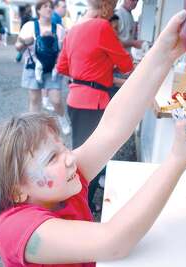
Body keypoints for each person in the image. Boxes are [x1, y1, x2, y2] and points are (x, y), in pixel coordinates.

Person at [0, 10, 186, 266]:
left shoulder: (62, 184)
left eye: (62, 147)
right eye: (52, 157)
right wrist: (178, 158)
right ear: (16, 190)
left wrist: (165, 52)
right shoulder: (14, 229)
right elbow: (113, 242)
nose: (70, 158)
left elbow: (113, 127)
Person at [56, 0, 133, 213]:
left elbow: (62, 66)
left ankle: (76, 204)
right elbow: (126, 64)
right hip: (94, 101)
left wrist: (92, 67)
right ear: (107, 5)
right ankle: (82, 208)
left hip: (75, 99)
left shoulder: (73, 30)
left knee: (79, 156)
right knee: (91, 161)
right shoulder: (101, 27)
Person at [15, 0, 70, 134]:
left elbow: (64, 51)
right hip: (33, 67)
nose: (49, 9)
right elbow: (18, 47)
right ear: (38, 10)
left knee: (56, 100)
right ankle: (34, 127)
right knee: (35, 99)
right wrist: (24, 42)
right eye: (45, 6)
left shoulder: (59, 29)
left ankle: (62, 119)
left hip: (53, 69)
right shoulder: (29, 26)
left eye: (50, 7)